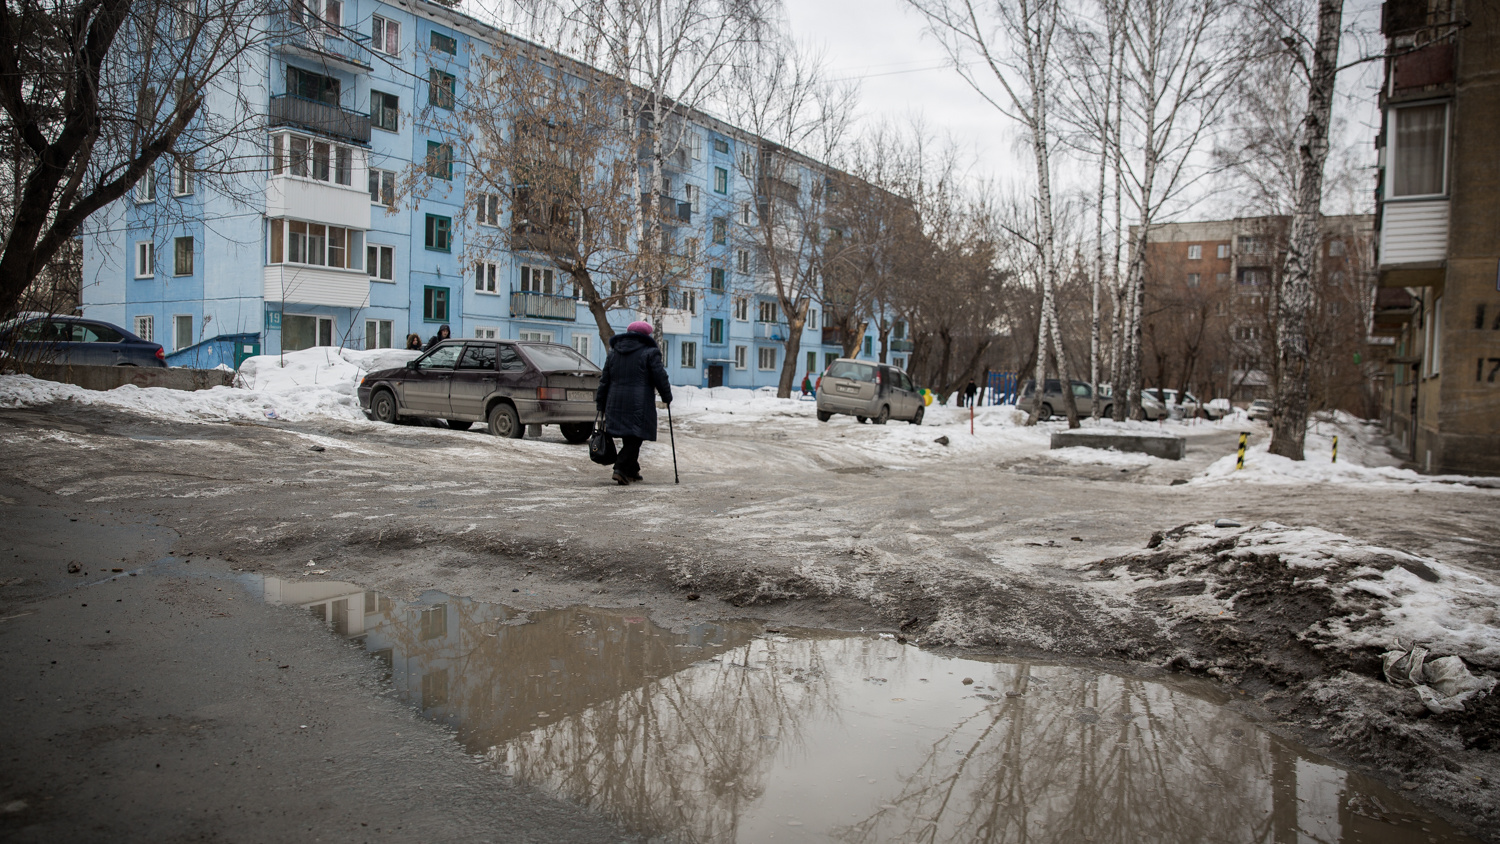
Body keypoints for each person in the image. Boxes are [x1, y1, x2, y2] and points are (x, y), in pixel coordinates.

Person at [596, 321, 672, 486]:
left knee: (628, 433)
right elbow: (660, 376)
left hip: (614, 400)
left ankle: (632, 469)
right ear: (646, 336)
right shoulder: (650, 352)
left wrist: (600, 401)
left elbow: (604, 379)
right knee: (636, 435)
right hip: (639, 401)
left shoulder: (614, 352)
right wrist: (667, 395)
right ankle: (621, 468)